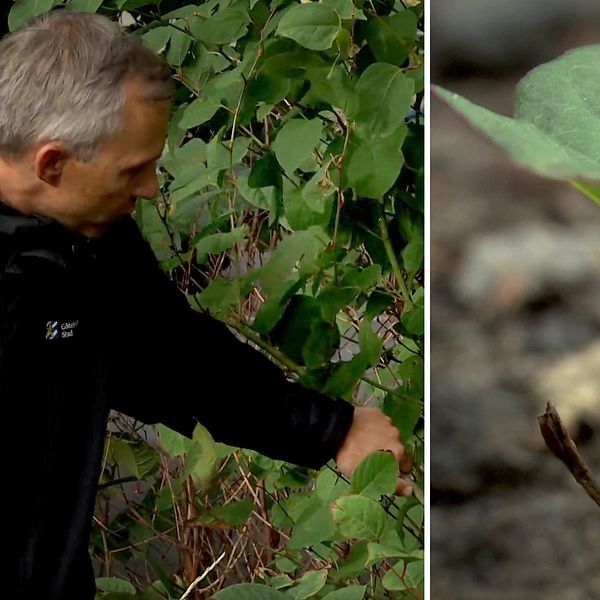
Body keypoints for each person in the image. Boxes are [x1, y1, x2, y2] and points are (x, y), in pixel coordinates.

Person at [0, 9, 412, 600]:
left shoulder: (84, 243)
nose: (149, 190)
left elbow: (173, 357)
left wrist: (333, 433)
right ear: (52, 162)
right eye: (134, 169)